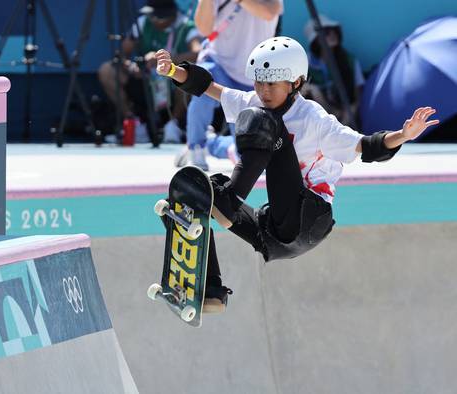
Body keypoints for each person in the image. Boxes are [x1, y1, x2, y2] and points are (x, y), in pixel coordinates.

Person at [155, 37, 438, 312]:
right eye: (258, 82)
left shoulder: (314, 119)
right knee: (202, 189)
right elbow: (210, 88)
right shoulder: (255, 100)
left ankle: (230, 200)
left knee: (264, 122)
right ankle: (210, 289)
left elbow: (365, 146)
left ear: (296, 83)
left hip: (309, 216)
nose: (263, 91)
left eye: (271, 85)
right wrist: (172, 71)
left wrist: (403, 135)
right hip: (274, 234)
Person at [176, 0, 283, 170]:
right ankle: (195, 146)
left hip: (254, 78)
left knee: (249, 152)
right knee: (201, 85)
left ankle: (214, 144)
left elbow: (270, 12)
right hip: (218, 64)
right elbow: (204, 29)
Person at [97, 0, 202, 143]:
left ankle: (173, 125)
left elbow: (198, 53)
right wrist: (132, 66)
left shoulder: (186, 27)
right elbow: (122, 53)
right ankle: (134, 124)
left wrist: (166, 60)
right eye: (153, 16)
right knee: (107, 70)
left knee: (191, 74)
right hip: (145, 81)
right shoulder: (142, 23)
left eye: (159, 17)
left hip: (172, 83)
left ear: (171, 14)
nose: (155, 20)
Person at [302, 15, 365, 127]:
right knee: (311, 89)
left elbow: (358, 95)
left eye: (333, 30)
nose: (332, 34)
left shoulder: (349, 60)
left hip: (346, 118)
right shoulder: (305, 63)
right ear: (315, 40)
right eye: (326, 32)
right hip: (317, 121)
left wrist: (345, 121)